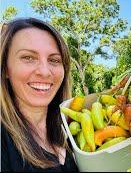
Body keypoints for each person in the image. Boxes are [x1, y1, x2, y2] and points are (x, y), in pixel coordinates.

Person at [1, 18, 78, 172]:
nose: (44, 71)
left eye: (54, 60)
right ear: (5, 69)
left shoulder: (71, 130)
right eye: (28, 57)